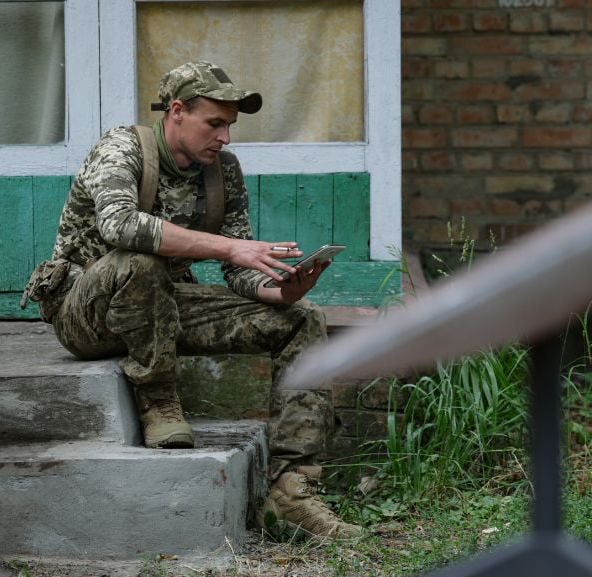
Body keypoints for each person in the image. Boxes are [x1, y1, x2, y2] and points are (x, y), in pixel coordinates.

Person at [22, 61, 364, 541]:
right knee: (136, 262)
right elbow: (118, 225)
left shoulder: (220, 170)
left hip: (162, 307)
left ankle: (292, 488)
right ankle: (159, 398)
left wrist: (276, 290)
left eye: (230, 125)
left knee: (301, 319)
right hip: (87, 314)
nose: (225, 138)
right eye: (215, 123)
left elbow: (237, 268)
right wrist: (230, 248)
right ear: (177, 111)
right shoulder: (122, 147)